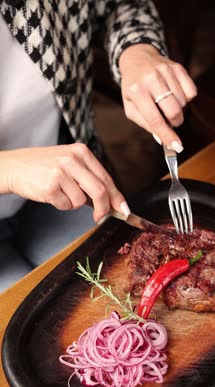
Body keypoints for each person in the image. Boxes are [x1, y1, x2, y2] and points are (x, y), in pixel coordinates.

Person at [0, 0, 197, 292]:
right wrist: (7, 170)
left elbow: (119, 6)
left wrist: (137, 49)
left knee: (117, 295)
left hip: (63, 189)